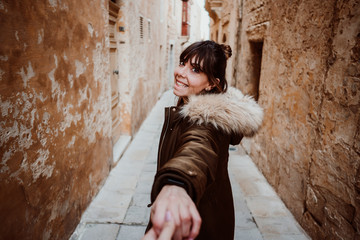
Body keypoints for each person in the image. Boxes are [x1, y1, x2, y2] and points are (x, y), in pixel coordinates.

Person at [143, 40, 263, 240]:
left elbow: (198, 148)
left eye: (195, 70)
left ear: (211, 83)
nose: (181, 72)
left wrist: (177, 184)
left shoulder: (206, 122)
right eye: (183, 63)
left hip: (200, 225)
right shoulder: (187, 104)